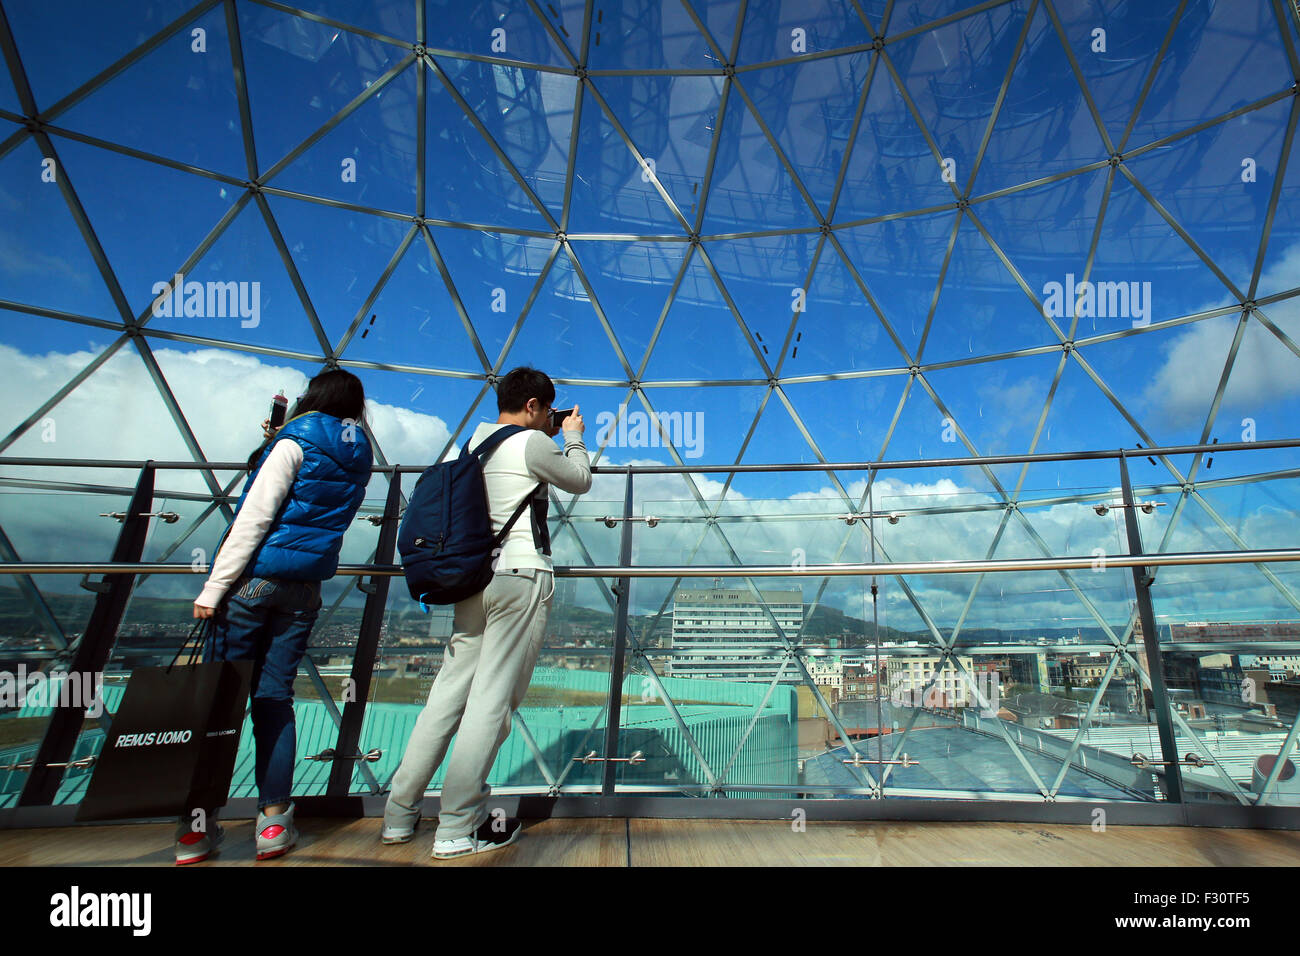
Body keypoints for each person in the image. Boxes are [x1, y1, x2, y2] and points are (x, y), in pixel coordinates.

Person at [383, 366, 591, 859]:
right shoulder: (530, 442)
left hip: (473, 580)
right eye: (548, 411)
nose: (550, 420)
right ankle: (458, 826)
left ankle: (399, 813)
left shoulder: (474, 444)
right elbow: (579, 480)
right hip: (519, 578)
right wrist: (574, 438)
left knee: (447, 697)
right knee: (491, 703)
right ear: (536, 406)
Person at [180, 369, 373, 864]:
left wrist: (214, 586)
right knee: (273, 700)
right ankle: (273, 823)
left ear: (313, 396)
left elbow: (257, 516)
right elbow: (312, 510)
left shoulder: (295, 440)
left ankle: (197, 830)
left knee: (222, 704)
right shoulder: (359, 453)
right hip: (305, 590)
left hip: (254, 584)